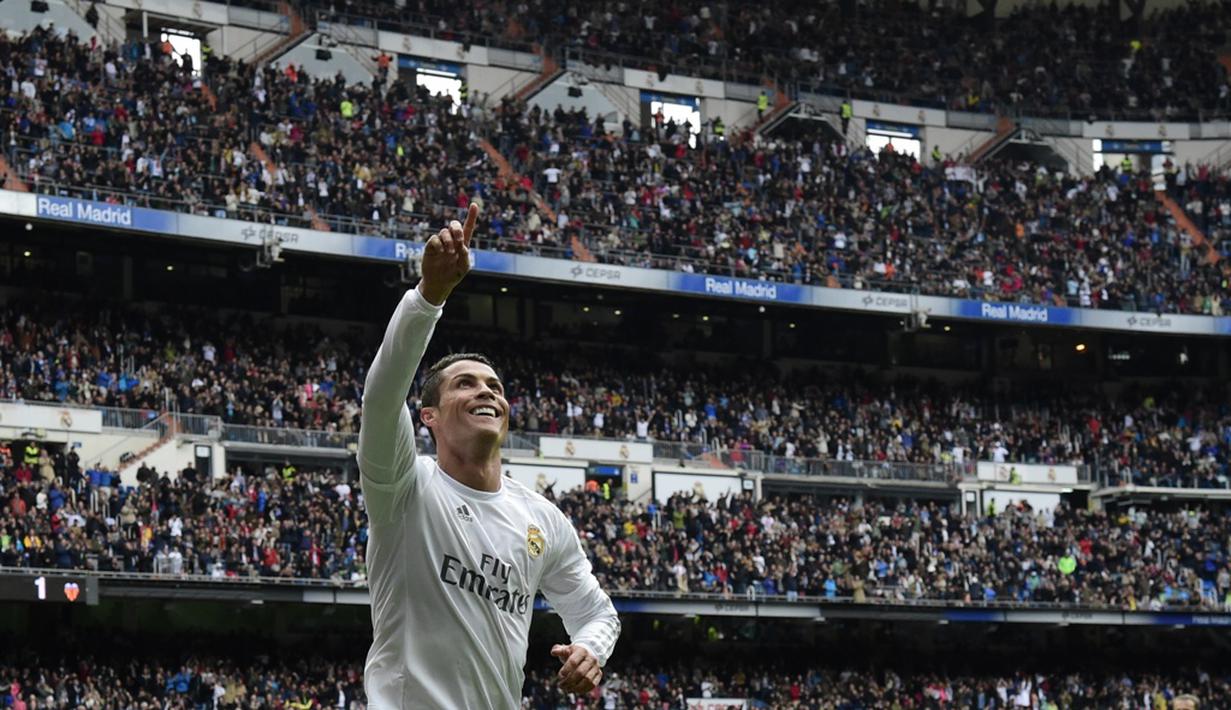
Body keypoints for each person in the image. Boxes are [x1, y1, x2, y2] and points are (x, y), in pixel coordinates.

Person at [360, 203, 620, 709]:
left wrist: (591, 648)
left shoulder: (542, 519)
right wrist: (429, 296)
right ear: (429, 416)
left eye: (494, 386)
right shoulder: (404, 487)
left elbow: (596, 612)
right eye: (465, 383)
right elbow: (382, 395)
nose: (486, 391)